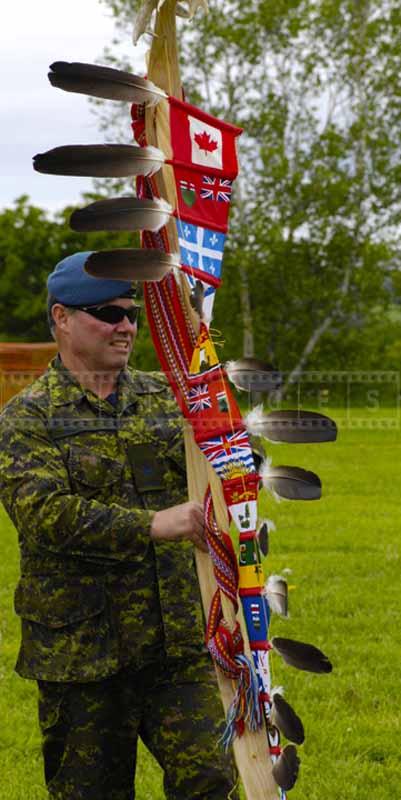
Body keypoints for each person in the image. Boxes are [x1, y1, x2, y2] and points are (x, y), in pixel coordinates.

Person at [0, 251, 238, 800]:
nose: (126, 325)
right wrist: (155, 524)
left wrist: (237, 448)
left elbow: (228, 469)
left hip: (177, 645)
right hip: (83, 656)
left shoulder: (168, 399)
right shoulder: (27, 418)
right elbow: (45, 516)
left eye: (131, 313)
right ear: (62, 318)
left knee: (212, 780)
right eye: (106, 313)